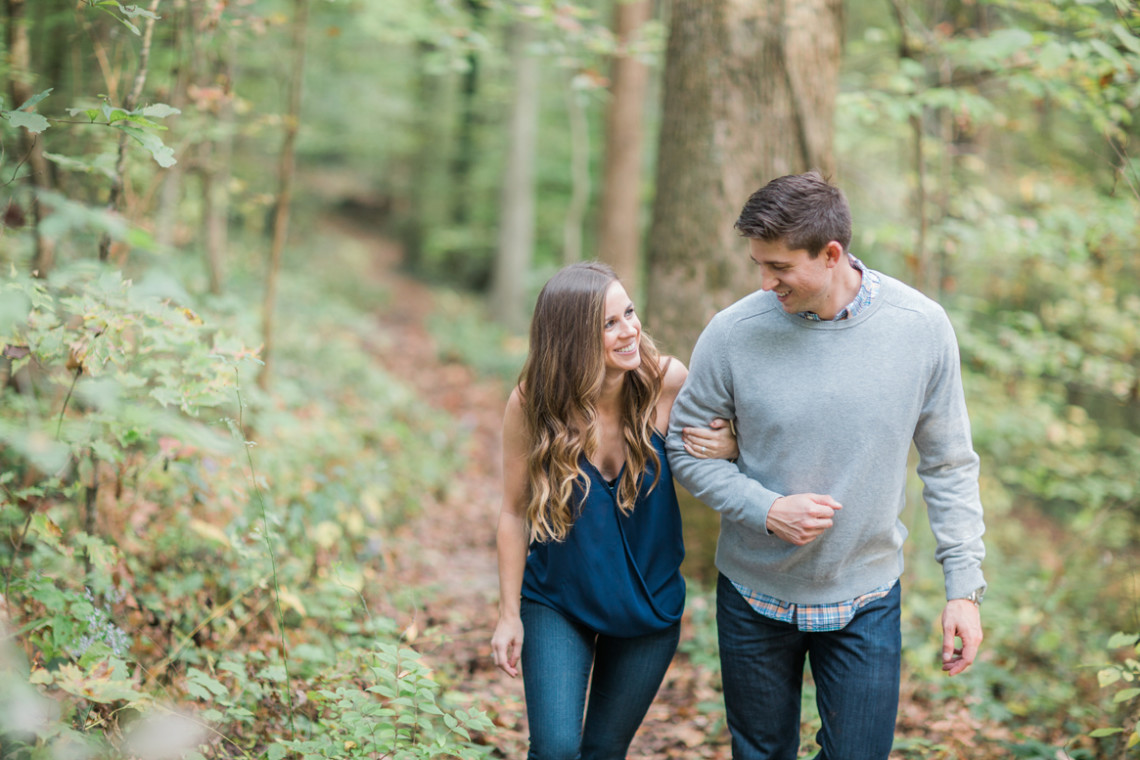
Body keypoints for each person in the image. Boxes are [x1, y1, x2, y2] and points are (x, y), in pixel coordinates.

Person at [666, 172, 987, 760]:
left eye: (779, 268)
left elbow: (949, 465)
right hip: (753, 596)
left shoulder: (920, 329)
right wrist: (765, 509)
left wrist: (963, 588)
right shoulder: (733, 333)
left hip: (864, 596)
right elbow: (684, 447)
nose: (765, 282)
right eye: (759, 264)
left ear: (832, 253)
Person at [491, 262, 738, 760]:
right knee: (557, 748)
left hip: (648, 601)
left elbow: (721, 452)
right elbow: (513, 513)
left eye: (629, 312)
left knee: (604, 750)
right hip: (558, 598)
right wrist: (507, 615)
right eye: (609, 323)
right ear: (571, 338)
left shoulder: (666, 381)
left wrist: (730, 444)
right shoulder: (532, 403)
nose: (630, 330)